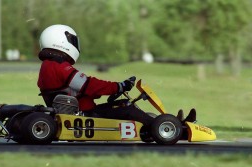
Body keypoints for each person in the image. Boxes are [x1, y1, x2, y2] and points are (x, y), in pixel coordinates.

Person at [37, 24, 196, 126]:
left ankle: (165, 124)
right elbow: (89, 85)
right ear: (61, 41)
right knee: (128, 108)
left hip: (80, 110)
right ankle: (174, 127)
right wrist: (118, 86)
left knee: (126, 107)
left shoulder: (48, 65)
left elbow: (78, 89)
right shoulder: (58, 66)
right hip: (85, 115)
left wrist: (113, 89)